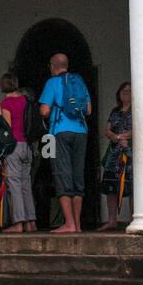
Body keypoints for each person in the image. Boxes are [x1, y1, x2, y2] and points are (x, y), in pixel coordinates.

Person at [39, 52, 91, 234]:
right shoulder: (79, 81)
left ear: (53, 67)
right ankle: (77, 225)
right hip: (81, 132)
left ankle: (68, 223)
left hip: (59, 133)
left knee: (62, 175)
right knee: (78, 177)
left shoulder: (52, 82)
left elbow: (44, 111)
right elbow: (89, 110)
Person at [0, 72, 37, 233]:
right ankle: (31, 222)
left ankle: (18, 223)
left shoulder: (6, 103)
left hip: (14, 146)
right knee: (25, 185)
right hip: (27, 146)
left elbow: (7, 128)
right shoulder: (25, 100)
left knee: (13, 185)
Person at [98, 81, 132, 230]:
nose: (125, 94)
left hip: (129, 151)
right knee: (110, 185)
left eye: (129, 91)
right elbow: (107, 129)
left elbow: (139, 128)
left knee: (132, 186)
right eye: (123, 91)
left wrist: (122, 137)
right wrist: (116, 137)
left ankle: (133, 219)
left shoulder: (136, 110)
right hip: (114, 152)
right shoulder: (115, 111)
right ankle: (112, 220)